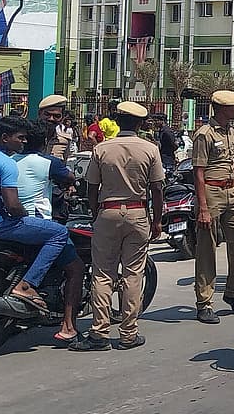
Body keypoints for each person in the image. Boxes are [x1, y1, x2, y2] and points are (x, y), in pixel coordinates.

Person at [0, 116, 83, 341]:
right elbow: (14, 205)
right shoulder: (8, 163)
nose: (23, 142)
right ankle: (27, 286)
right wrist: (24, 216)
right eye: (19, 138)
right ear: (5, 138)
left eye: (26, 138)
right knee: (58, 232)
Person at [69, 102, 164, 352]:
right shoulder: (150, 149)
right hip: (137, 212)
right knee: (133, 274)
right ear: (141, 124)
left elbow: (91, 187)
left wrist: (95, 211)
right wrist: (156, 220)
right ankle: (128, 334)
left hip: (107, 212)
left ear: (117, 123)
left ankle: (99, 333)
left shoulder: (101, 149)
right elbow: (157, 188)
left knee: (102, 274)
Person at [191, 90, 234, 324]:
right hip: (211, 191)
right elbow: (198, 172)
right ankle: (204, 302)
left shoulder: (228, 131)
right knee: (207, 248)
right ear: (222, 109)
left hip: (231, 193)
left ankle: (232, 292)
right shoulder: (204, 134)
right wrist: (203, 207)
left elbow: (231, 160)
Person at [13, 120, 74, 220]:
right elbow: (70, 177)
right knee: (62, 232)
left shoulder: (10, 160)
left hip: (10, 216)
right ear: (45, 141)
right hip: (37, 216)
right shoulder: (50, 162)